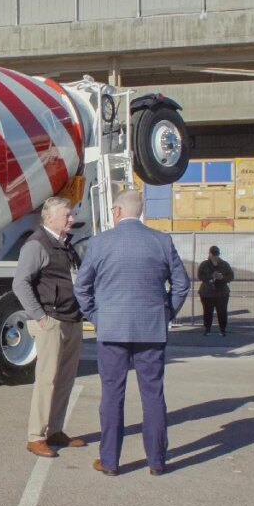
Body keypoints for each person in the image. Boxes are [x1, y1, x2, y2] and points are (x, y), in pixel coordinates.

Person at [74, 190, 189, 476]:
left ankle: (110, 461)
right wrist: (166, 314)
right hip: (151, 329)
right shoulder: (161, 241)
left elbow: (81, 287)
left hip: (112, 330)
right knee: (153, 396)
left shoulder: (100, 243)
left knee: (112, 395)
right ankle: (157, 461)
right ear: (138, 212)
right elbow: (182, 284)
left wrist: (96, 316)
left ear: (116, 211)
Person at [13, 196, 86, 458]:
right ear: (49, 218)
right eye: (66, 215)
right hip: (52, 321)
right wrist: (40, 317)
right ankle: (36, 436)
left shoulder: (66, 246)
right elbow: (20, 283)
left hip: (72, 319)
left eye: (71, 214)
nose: (72, 219)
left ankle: (55, 430)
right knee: (47, 380)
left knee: (65, 379)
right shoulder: (36, 245)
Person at [197, 245, 234, 336]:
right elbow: (200, 276)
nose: (214, 257)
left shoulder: (224, 264)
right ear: (209, 254)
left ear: (218, 254)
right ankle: (207, 328)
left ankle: (222, 329)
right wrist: (211, 277)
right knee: (207, 311)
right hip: (207, 293)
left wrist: (222, 277)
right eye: (213, 255)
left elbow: (231, 276)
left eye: (216, 255)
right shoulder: (204, 264)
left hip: (222, 293)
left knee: (222, 312)